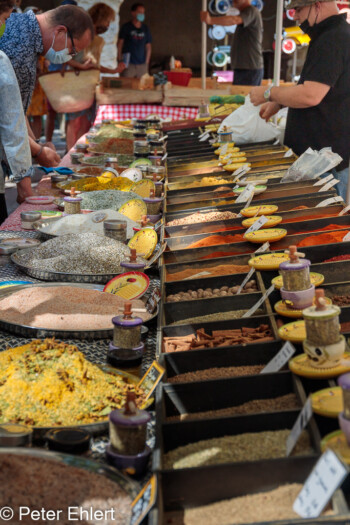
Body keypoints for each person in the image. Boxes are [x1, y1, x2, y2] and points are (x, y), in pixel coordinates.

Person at [250, 0, 350, 201]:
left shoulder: (333, 38)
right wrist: (280, 102)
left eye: (298, 9)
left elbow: (310, 95)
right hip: (319, 157)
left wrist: (270, 93)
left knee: (319, 227)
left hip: (323, 162)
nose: (295, 16)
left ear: (317, 5)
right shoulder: (330, 34)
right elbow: (318, 86)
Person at [0, 4, 94, 167]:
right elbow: (5, 117)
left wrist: (37, 143)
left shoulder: (26, 32)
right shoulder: (20, 48)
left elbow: (16, 109)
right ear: (60, 31)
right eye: (72, 50)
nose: (69, 56)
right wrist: (37, 152)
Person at [65, 2, 126, 150]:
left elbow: (95, 65)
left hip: (90, 86)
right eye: (107, 21)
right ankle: (69, 154)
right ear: (99, 18)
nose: (107, 25)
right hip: (74, 83)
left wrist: (113, 71)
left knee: (86, 123)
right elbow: (63, 56)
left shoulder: (99, 40)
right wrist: (81, 66)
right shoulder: (78, 33)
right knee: (74, 121)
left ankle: (79, 153)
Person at [200, 0, 263, 86]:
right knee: (241, 97)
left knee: (245, 97)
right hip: (244, 68)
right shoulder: (247, 13)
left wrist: (210, 20)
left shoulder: (251, 11)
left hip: (249, 68)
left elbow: (234, 20)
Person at [117, 2, 152, 78]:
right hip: (128, 64)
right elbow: (120, 44)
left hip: (142, 65)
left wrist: (146, 62)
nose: (141, 14)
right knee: (127, 86)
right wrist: (120, 60)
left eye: (143, 12)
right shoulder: (126, 27)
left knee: (143, 87)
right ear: (133, 13)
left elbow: (148, 47)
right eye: (139, 12)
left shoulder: (145, 29)